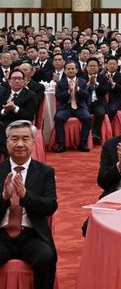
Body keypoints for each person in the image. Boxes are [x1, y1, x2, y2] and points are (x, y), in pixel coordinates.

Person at [0, 120, 57, 289]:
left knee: (46, 257)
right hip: (1, 234)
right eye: (14, 139)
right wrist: (4, 197)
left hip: (32, 234)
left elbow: (50, 206)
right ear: (7, 142)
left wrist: (26, 196)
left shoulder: (45, 172)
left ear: (33, 142)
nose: (19, 144)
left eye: (25, 139)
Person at [53, 62, 92, 153]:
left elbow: (87, 95)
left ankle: (83, 143)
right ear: (65, 71)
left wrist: (78, 89)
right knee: (58, 118)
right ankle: (61, 144)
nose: (71, 70)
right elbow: (58, 96)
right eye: (68, 69)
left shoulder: (82, 82)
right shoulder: (61, 83)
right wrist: (68, 91)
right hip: (66, 107)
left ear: (77, 70)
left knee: (87, 118)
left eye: (73, 69)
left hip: (79, 107)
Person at [0, 70, 38, 155]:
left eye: (19, 78)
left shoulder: (30, 95)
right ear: (9, 81)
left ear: (24, 81)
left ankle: (9, 155)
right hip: (3, 121)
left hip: (20, 122)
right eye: (14, 78)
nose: (17, 81)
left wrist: (15, 108)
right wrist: (4, 111)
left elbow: (30, 116)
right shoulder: (2, 94)